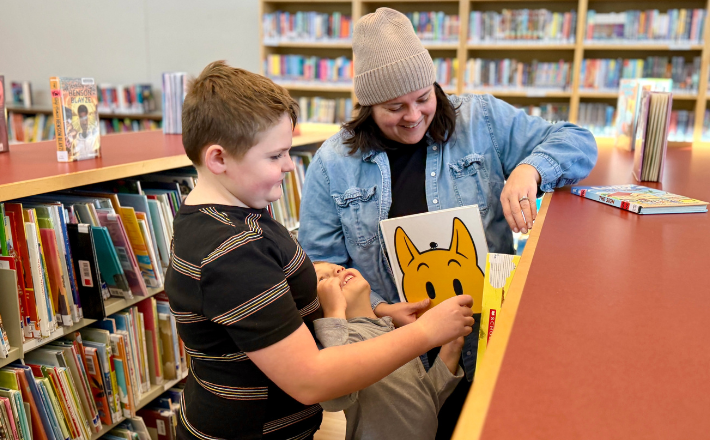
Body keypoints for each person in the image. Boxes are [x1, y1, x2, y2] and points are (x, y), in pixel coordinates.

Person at [298, 7, 598, 438]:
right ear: (367, 105)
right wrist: (381, 309)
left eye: (423, 98)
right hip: (392, 352)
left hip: (485, 332)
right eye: (394, 107)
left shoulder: (483, 121)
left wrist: (529, 170)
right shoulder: (332, 163)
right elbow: (322, 267)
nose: (414, 115)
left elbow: (578, 141)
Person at [164, 60, 475, 440]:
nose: (288, 167)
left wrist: (375, 311)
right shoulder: (231, 252)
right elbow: (311, 380)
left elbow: (271, 295)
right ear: (218, 158)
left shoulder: (232, 214)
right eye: (275, 156)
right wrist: (426, 333)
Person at [314, 262, 464, 440]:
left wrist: (453, 346)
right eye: (323, 279)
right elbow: (334, 397)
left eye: (336, 266)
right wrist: (334, 311)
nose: (337, 269)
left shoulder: (391, 333)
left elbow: (422, 400)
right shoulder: (346, 342)